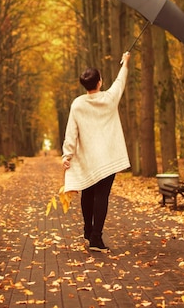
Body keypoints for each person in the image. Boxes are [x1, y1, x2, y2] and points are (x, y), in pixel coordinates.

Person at [62, 51, 131, 252]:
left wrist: (67, 155)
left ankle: (87, 229)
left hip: (87, 160)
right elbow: (120, 81)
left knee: (87, 194)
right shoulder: (109, 98)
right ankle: (96, 239)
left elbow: (71, 132)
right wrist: (125, 62)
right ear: (99, 82)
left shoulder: (77, 104)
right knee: (102, 197)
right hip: (107, 159)